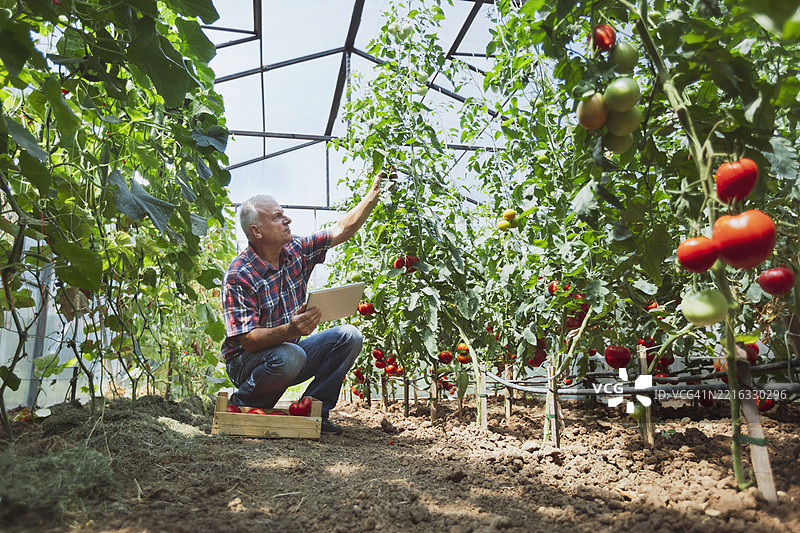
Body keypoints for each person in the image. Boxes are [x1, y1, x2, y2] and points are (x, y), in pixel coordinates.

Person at [220, 171, 387, 435]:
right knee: (291, 354)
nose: (287, 219)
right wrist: (291, 330)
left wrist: (373, 194)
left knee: (349, 336)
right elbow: (249, 341)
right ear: (256, 231)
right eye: (277, 217)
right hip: (248, 363)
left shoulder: (296, 251)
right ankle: (245, 403)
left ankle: (314, 410)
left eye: (283, 213)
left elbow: (343, 229)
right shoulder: (240, 275)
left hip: (289, 353)